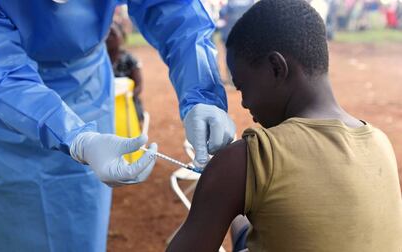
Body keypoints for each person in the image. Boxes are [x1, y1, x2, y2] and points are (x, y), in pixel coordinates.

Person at [0, 0, 235, 251]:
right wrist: (76, 138)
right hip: (7, 113)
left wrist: (202, 92)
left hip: (87, 90)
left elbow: (174, 9)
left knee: (79, 218)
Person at [166, 1, 402, 251]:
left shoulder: (252, 158)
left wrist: (220, 178)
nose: (245, 102)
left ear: (276, 68)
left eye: (243, 86)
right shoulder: (379, 142)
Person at [106, 23, 145, 122]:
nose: (109, 38)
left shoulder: (130, 60)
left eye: (113, 34)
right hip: (105, 104)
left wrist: (128, 96)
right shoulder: (100, 62)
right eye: (106, 35)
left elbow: (139, 85)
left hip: (127, 103)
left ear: (122, 37)